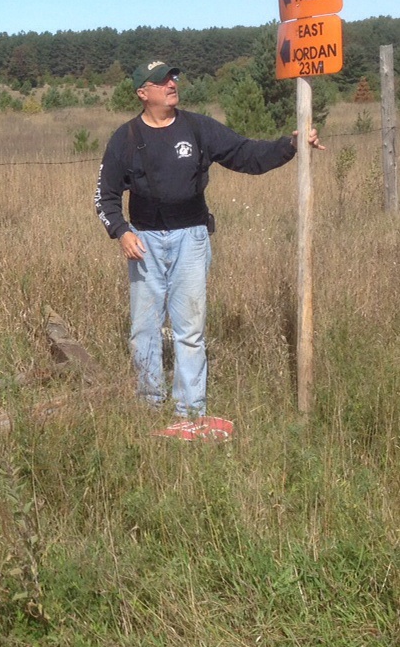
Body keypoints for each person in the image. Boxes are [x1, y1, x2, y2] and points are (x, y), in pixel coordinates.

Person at [94, 60, 323, 419]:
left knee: (189, 329)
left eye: (172, 77)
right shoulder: (126, 138)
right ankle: (148, 406)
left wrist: (290, 146)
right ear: (143, 93)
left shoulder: (197, 128)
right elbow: (105, 197)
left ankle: (190, 411)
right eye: (161, 81)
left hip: (192, 239)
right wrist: (121, 232)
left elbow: (246, 154)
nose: (171, 83)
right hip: (144, 243)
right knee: (144, 329)